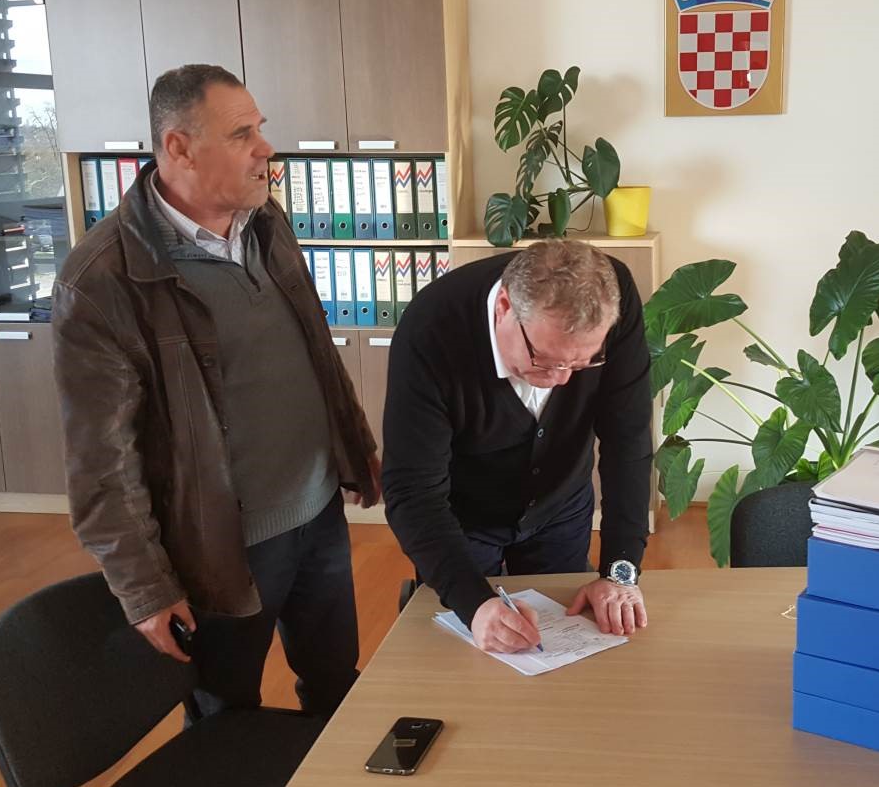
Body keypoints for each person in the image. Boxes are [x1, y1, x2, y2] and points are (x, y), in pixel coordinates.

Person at [52, 63, 379, 718]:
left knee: (336, 685)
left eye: (260, 129)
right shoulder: (103, 280)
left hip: (318, 514)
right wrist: (145, 589)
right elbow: (101, 465)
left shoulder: (265, 221)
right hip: (222, 550)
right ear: (179, 147)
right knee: (226, 717)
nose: (266, 148)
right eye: (241, 134)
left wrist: (354, 443)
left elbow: (314, 350)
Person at [383, 239, 652, 653]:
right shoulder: (431, 328)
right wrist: (474, 604)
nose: (562, 379)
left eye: (581, 363)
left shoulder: (614, 295)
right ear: (504, 307)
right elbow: (411, 490)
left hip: (560, 505)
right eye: (544, 359)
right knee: (469, 656)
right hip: (460, 520)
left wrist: (619, 571)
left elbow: (627, 440)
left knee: (558, 647)